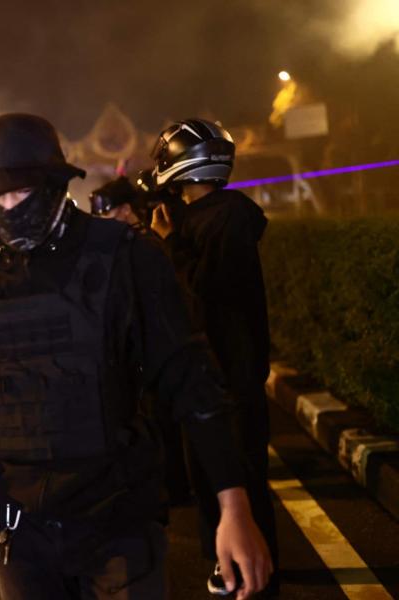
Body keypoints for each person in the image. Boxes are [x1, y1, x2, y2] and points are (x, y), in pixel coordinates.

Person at [0, 113, 272, 600]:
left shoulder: (125, 259)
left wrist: (234, 504)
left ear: (57, 184)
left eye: (22, 193)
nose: (9, 207)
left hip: (118, 516)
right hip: (21, 530)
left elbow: (192, 382)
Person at [147, 118, 279, 595]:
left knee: (241, 481)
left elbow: (201, 293)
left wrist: (168, 245)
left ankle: (254, 577)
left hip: (231, 373)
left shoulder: (228, 218)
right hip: (210, 374)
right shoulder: (208, 216)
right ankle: (229, 567)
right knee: (212, 478)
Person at [90, 177, 193, 507]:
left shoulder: (143, 245)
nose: (99, 219)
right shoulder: (122, 245)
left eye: (104, 211)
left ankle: (174, 488)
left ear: (123, 210)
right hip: (135, 352)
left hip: (154, 348)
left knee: (164, 423)